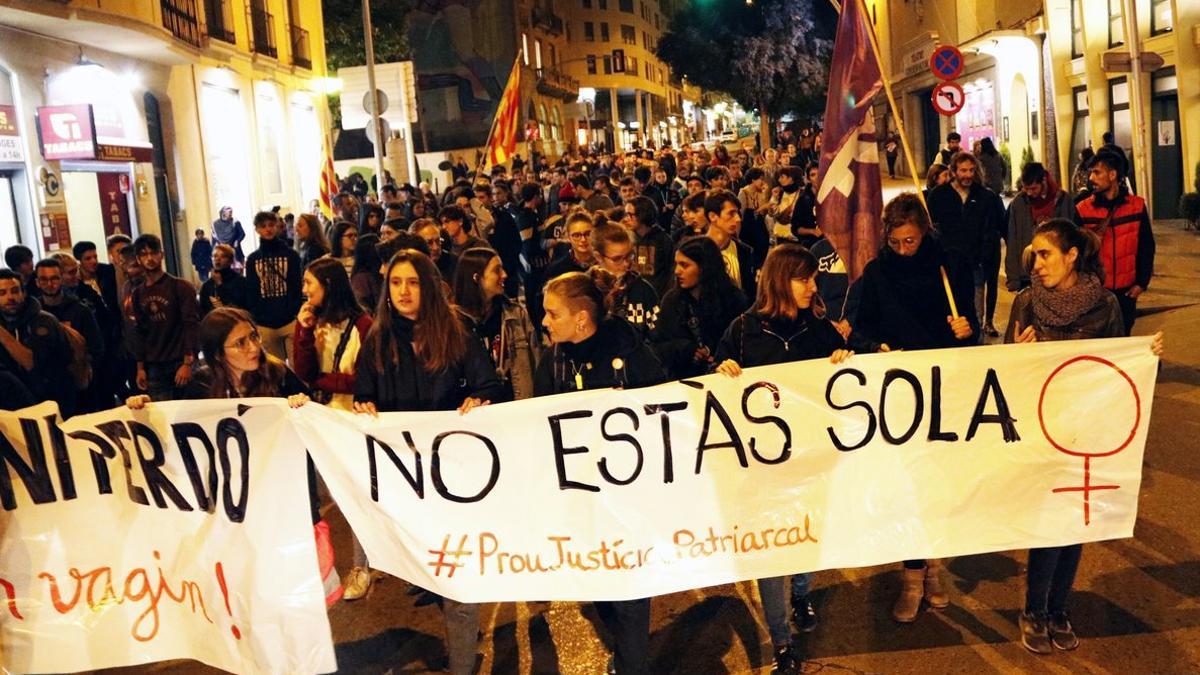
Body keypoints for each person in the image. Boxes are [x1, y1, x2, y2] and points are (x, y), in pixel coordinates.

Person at [1005, 218, 1164, 654]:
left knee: (1075, 522)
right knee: (1048, 525)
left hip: (1087, 428)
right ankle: (1034, 610)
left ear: (1072, 255)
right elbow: (1000, 373)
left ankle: (1059, 609)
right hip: (1043, 429)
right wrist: (1017, 354)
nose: (1035, 264)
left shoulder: (1105, 306)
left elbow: (1119, 366)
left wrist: (1146, 357)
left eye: (1044, 254)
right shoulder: (1025, 303)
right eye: (1032, 256)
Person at [353, 249, 503, 675]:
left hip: (454, 479)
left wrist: (481, 398)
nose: (403, 291)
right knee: (427, 573)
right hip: (406, 483)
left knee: (456, 580)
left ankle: (461, 663)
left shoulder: (457, 333)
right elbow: (365, 393)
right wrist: (363, 406)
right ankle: (459, 629)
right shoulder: (377, 340)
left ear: (429, 288)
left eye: (413, 282)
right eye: (396, 283)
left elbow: (489, 383)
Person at [714, 244, 856, 673]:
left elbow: (846, 381)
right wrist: (723, 371)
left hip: (812, 457)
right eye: (804, 279)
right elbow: (715, 388)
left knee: (806, 534)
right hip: (763, 467)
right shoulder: (742, 330)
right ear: (779, 280)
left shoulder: (819, 329)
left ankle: (802, 592)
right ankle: (781, 639)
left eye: (813, 278)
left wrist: (842, 359)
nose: (813, 286)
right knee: (772, 549)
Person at [853, 193, 976, 622]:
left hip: (943, 391)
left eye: (911, 241)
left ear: (925, 231)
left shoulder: (951, 265)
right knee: (906, 489)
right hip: (897, 395)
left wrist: (966, 328)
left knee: (938, 486)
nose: (904, 250)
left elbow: (971, 332)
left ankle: (935, 570)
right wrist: (876, 346)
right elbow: (859, 331)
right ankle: (911, 577)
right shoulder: (876, 272)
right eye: (896, 242)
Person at [535, 270, 664, 675]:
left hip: (628, 500)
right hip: (579, 501)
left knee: (630, 592)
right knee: (599, 587)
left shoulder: (633, 353)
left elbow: (665, 411)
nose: (544, 321)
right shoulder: (552, 360)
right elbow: (534, 419)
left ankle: (630, 666)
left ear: (582, 319)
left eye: (552, 314)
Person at [292, 257, 375, 599]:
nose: (304, 290)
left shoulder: (364, 326)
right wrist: (303, 331)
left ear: (328, 285)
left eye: (310, 283)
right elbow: (303, 371)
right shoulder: (316, 324)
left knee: (354, 499)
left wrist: (323, 381)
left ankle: (362, 567)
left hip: (352, 423)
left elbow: (367, 379)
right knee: (334, 497)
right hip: (321, 423)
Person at [1074, 149, 1155, 335]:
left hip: (1127, 292)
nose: (1091, 178)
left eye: (1097, 172)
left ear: (1113, 175)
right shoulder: (1082, 209)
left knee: (1123, 338)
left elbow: (1146, 247)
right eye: (1091, 172)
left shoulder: (1136, 206)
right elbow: (1076, 253)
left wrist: (1141, 283)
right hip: (1096, 293)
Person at [926, 151, 1006, 337]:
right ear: (953, 171)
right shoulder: (939, 196)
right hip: (946, 265)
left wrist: (984, 253)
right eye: (963, 170)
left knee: (974, 312)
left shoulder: (985, 197)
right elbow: (931, 228)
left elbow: (993, 227)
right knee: (948, 308)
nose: (968, 175)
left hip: (974, 264)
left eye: (971, 170)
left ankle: (976, 343)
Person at [652, 236, 747, 379]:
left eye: (684, 265)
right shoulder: (671, 300)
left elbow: (741, 344)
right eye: (676, 264)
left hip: (726, 378)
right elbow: (656, 346)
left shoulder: (733, 299)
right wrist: (683, 348)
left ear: (704, 267)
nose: (677, 271)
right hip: (683, 381)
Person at [452, 248, 540, 401]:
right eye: (496, 270)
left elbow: (536, 361)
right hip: (474, 412)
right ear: (477, 278)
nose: (504, 275)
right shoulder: (454, 323)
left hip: (517, 407)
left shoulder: (516, 314)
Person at [129, 234, 200, 402]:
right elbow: (140, 330)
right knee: (162, 417)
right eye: (144, 254)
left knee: (187, 414)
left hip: (179, 360)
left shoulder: (180, 287)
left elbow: (191, 325)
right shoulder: (138, 293)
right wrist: (140, 367)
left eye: (153, 253)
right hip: (155, 364)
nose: (150, 258)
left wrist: (188, 362)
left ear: (161, 254)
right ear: (138, 259)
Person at [34, 258, 104, 411]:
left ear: (61, 280)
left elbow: (96, 348)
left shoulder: (80, 311)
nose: (50, 284)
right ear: (37, 282)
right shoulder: (33, 314)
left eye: (54, 278)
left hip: (79, 389)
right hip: (45, 391)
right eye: (44, 280)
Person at [0, 268, 73, 415]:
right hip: (16, 406)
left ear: (24, 293)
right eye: (2, 293)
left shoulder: (43, 321)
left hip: (53, 401)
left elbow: (30, 363)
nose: (10, 297)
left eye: (15, 291)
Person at [1006, 163, 1076, 292]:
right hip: (1027, 276)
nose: (1029, 193)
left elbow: (1073, 237)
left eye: (1033, 188)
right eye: (1026, 188)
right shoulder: (1018, 203)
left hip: (1058, 273)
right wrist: (1013, 279)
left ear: (1043, 181)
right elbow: (1013, 240)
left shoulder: (1063, 201)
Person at [245, 211, 304, 363]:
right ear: (257, 229)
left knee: (297, 366)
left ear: (277, 226)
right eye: (263, 226)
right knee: (275, 370)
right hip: (265, 323)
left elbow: (296, 284)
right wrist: (257, 315)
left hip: (289, 319)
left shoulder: (291, 255)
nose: (268, 229)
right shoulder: (252, 260)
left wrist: (293, 310)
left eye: (271, 225)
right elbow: (251, 289)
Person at [591, 222, 660, 336]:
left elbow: (658, 336)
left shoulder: (643, 290)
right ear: (598, 256)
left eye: (629, 256)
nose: (626, 263)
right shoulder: (586, 288)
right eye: (617, 259)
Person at [705, 189, 758, 301]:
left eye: (737, 213)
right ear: (713, 216)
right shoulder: (697, 252)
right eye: (731, 213)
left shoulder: (744, 251)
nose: (738, 219)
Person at [622, 195, 674, 297]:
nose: (626, 219)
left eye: (630, 215)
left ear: (642, 215)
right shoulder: (627, 239)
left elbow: (670, 273)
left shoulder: (663, 240)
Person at [200, 243, 251, 314]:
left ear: (230, 261)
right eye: (215, 256)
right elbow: (203, 310)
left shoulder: (240, 282)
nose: (218, 259)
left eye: (223, 256)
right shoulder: (207, 286)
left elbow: (237, 306)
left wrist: (220, 285)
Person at [545, 212, 595, 280]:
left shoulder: (605, 262)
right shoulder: (557, 269)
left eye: (588, 234)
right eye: (576, 235)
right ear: (568, 237)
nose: (583, 239)